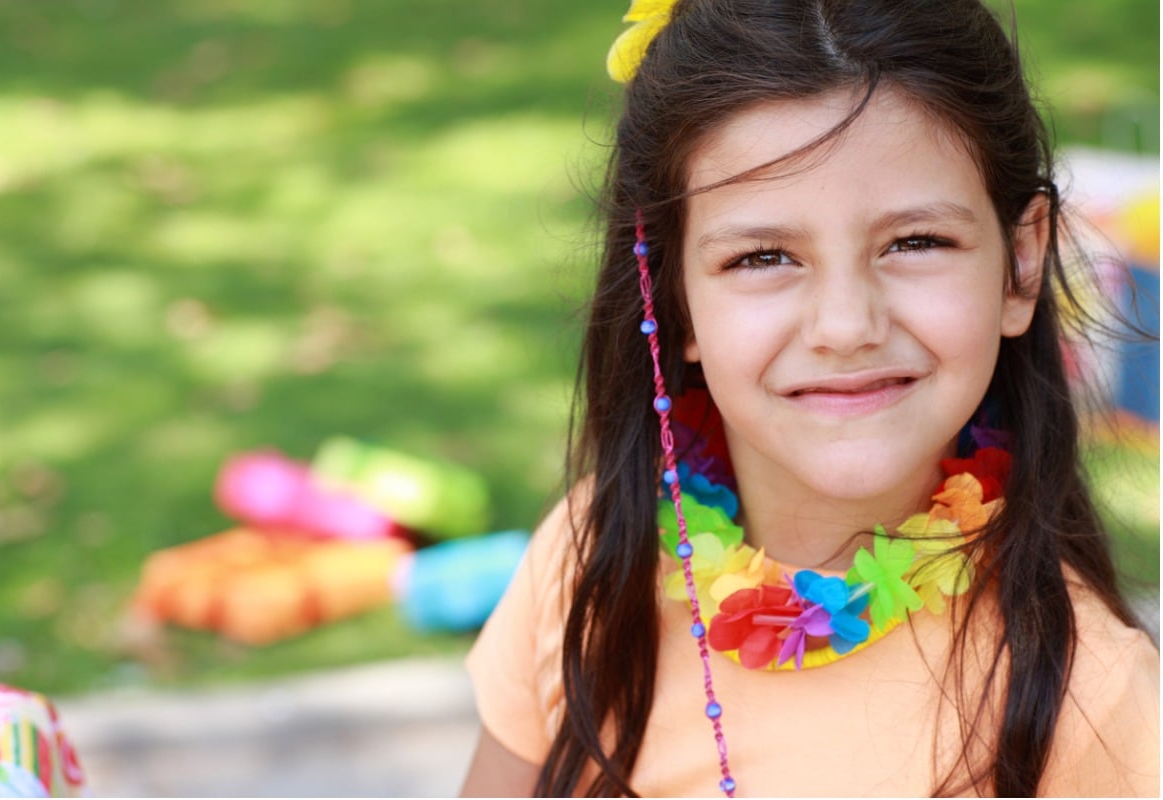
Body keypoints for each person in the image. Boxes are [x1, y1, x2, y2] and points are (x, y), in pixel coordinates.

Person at [461, 0, 1160, 796]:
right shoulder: (590, 561)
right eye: (764, 256)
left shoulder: (1093, 702)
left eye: (915, 242)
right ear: (672, 290)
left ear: (1021, 263)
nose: (845, 326)